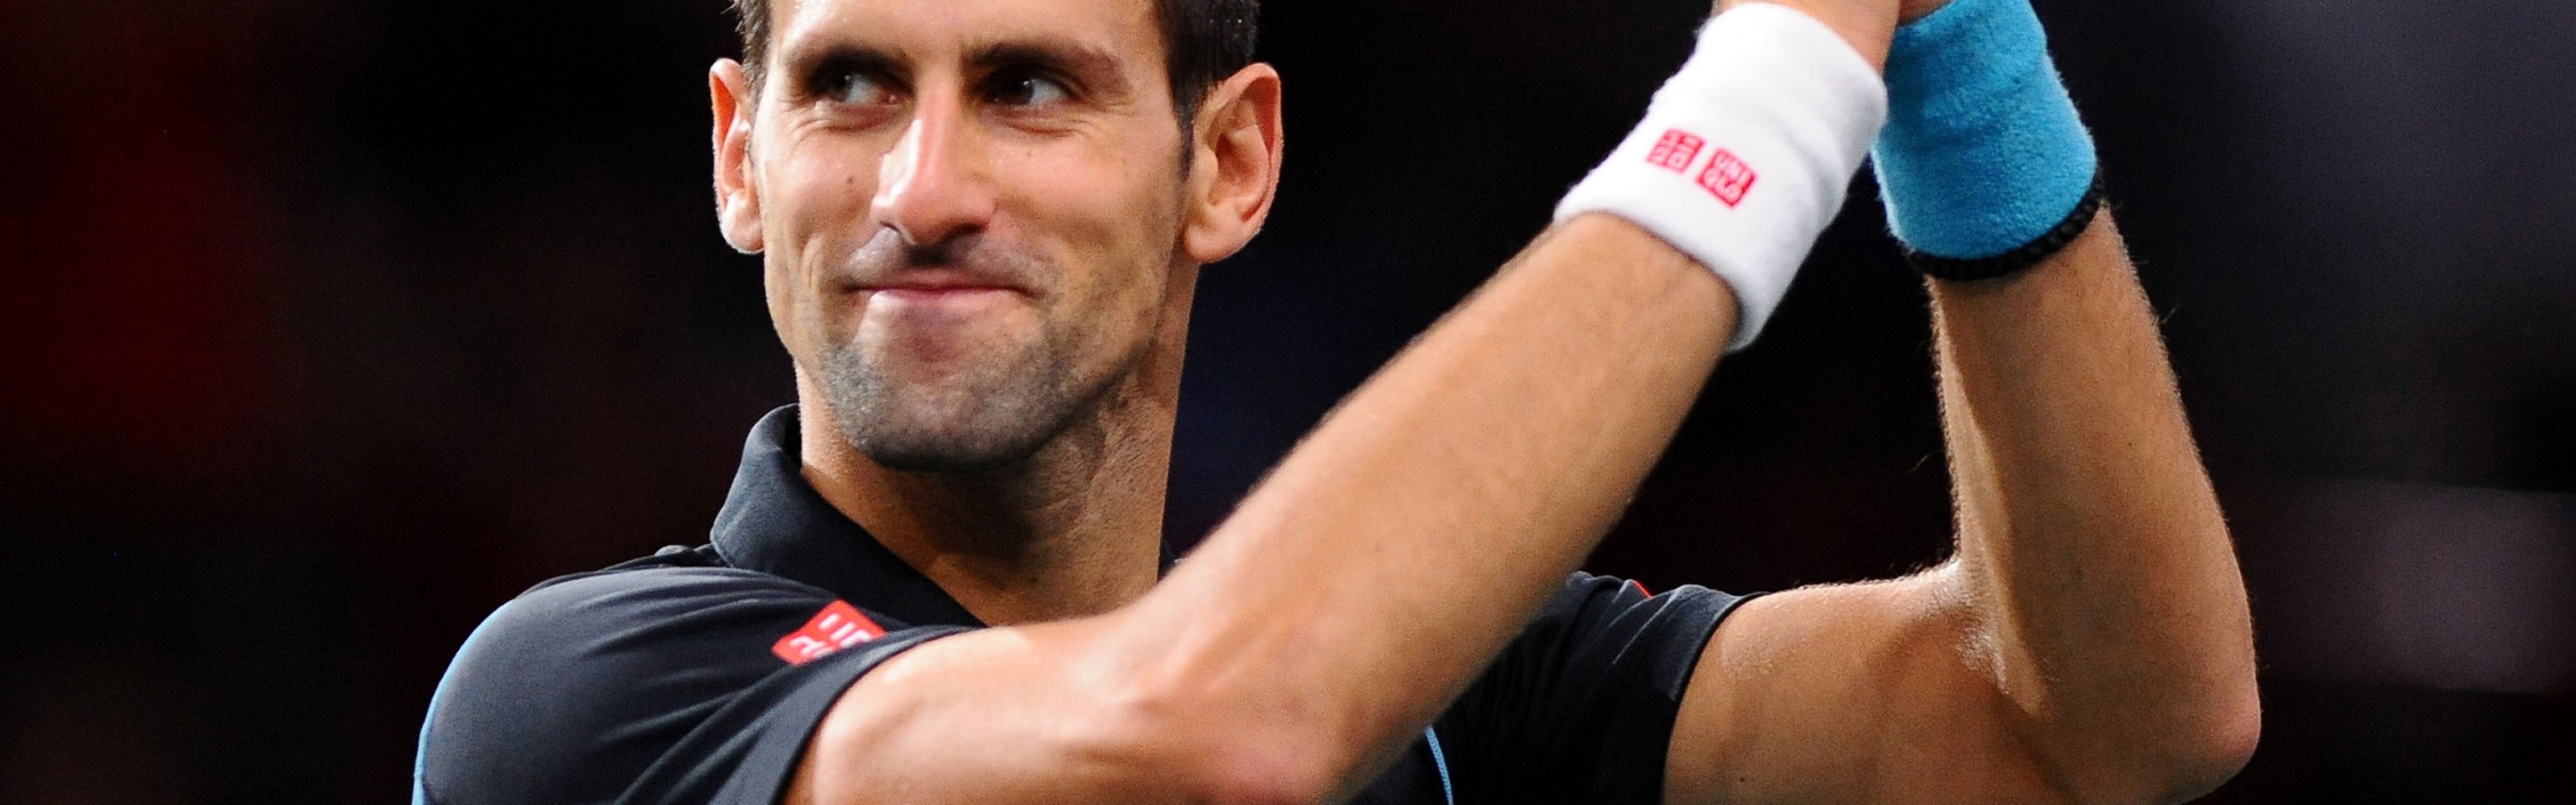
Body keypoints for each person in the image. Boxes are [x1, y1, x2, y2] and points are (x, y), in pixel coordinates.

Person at [413, 0, 2261, 801]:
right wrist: (1783, 75)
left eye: (1033, 88)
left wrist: (1953, 67)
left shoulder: (1462, 707)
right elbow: (1229, 727)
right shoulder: (580, 698)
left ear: (1231, 162)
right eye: (852, 88)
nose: (923, 191)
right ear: (739, 159)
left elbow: (2114, 725)